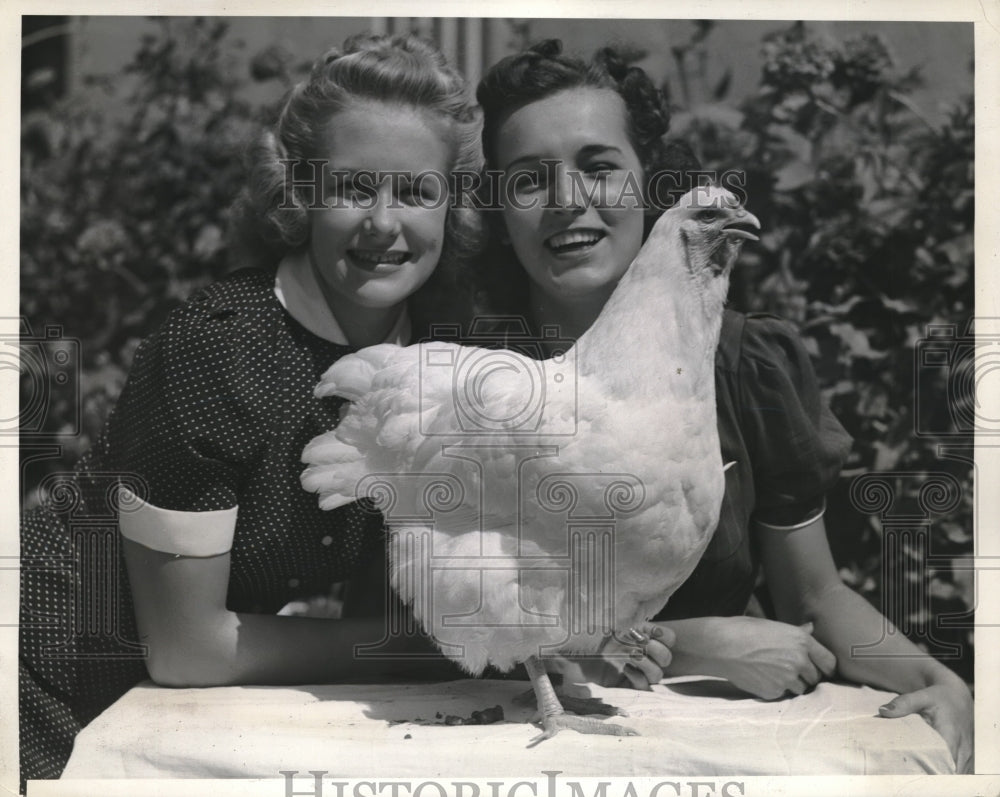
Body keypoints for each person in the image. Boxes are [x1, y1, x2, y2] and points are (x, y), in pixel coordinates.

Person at [473, 39, 973, 772]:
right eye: (528, 180)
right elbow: (437, 619)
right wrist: (694, 640)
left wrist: (936, 678)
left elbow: (814, 592)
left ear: (650, 183)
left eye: (600, 166)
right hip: (527, 750)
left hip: (716, 743)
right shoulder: (471, 383)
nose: (567, 200)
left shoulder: (744, 366)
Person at [19, 32, 480, 785]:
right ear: (298, 194)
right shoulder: (220, 347)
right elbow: (187, 647)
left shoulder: (436, 352)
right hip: (46, 685)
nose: (384, 223)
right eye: (352, 188)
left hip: (186, 718)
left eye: (417, 191)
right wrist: (417, 646)